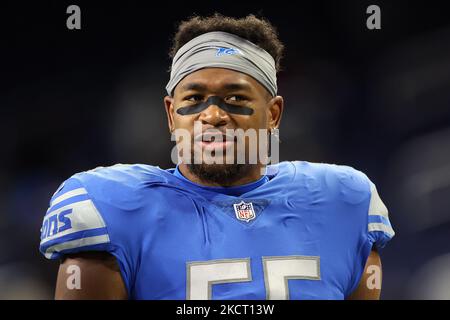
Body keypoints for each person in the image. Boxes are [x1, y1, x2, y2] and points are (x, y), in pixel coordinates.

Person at [39, 13, 395, 300]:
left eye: (235, 99)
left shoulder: (345, 201)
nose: (212, 115)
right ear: (170, 114)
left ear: (273, 114)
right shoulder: (111, 208)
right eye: (193, 99)